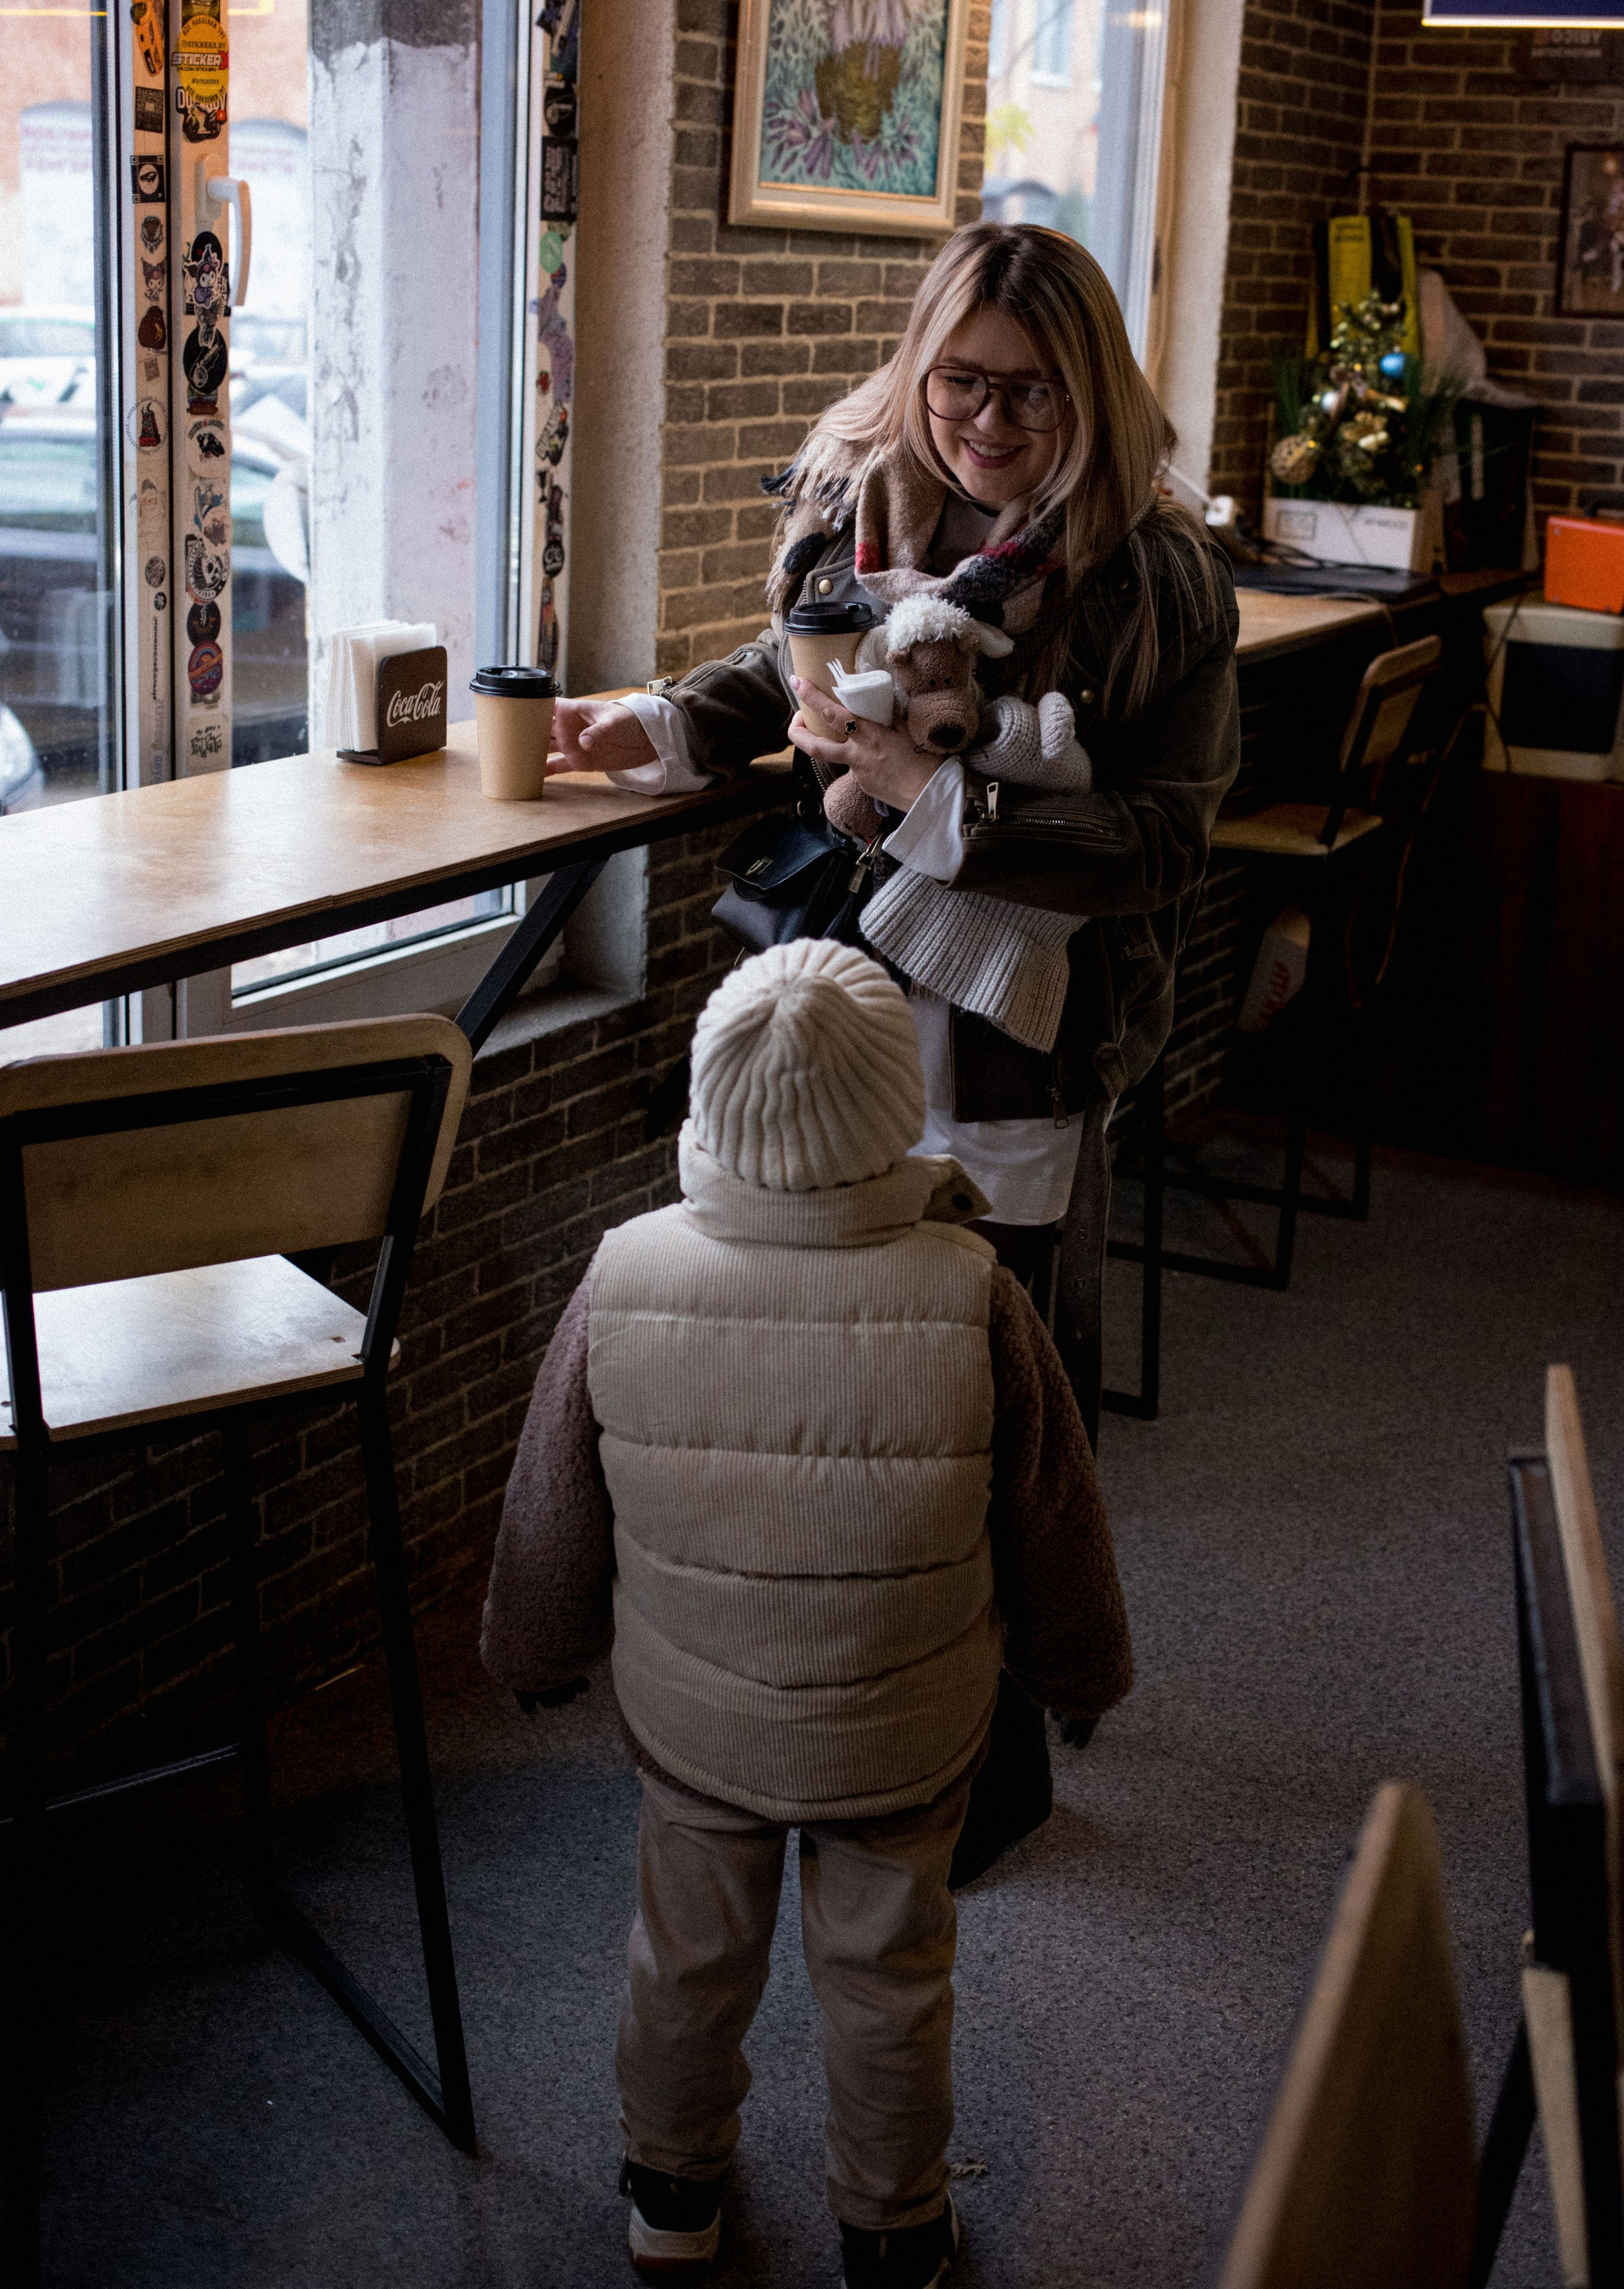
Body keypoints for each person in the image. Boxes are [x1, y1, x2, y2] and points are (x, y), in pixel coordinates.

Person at [550, 220, 1239, 1876]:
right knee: (818, 1379)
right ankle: (802, 1730)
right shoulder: (851, 503)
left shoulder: (1152, 575)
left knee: (994, 1393)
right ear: (915, 370)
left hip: (1026, 1041)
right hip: (839, 1013)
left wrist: (951, 808)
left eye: (1029, 390)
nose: (987, 419)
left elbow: (1166, 842)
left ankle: (985, 1765)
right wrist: (664, 721)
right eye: (957, 380)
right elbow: (791, 674)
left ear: (1092, 391)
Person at [481, 939, 1134, 2287]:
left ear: (705, 1103)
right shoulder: (973, 1297)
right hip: (902, 1727)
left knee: (685, 1956)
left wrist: (536, 1652)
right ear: (899, 1111)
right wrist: (1080, 1672)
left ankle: (670, 2186)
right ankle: (891, 2226)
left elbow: (548, 1510)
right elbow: (1051, 1523)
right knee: (889, 1975)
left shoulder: (621, 1278)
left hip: (697, 1714)